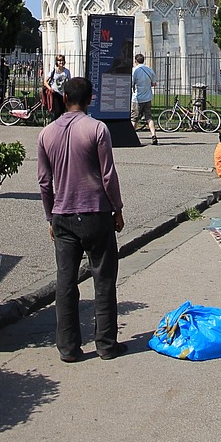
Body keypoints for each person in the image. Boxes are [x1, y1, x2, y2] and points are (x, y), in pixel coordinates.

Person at [37, 76, 125, 362]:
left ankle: (68, 347)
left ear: (64, 98)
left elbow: (44, 181)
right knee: (104, 279)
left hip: (62, 214)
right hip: (95, 212)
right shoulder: (97, 129)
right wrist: (117, 208)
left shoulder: (46, 134)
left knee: (65, 282)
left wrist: (50, 215)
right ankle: (106, 344)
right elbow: (108, 175)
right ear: (90, 99)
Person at [131, 53, 158, 145]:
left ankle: (131, 136)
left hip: (137, 98)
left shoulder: (135, 71)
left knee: (134, 118)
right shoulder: (149, 70)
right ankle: (153, 135)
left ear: (135, 61)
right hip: (148, 97)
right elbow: (154, 83)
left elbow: (132, 83)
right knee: (149, 118)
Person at [44, 54, 70, 120]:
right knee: (56, 112)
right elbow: (45, 82)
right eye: (59, 60)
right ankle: (53, 126)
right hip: (55, 93)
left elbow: (69, 82)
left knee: (62, 112)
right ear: (57, 62)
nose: (61, 62)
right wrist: (50, 89)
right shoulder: (53, 71)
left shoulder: (67, 71)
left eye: (62, 60)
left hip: (63, 94)